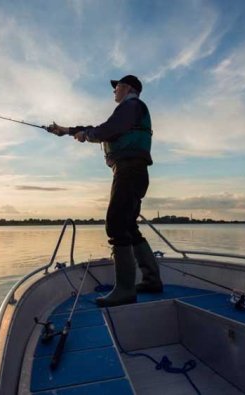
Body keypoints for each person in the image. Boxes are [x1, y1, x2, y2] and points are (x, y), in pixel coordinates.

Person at [48, 75, 163, 307]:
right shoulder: (131, 109)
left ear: (128, 87)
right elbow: (104, 129)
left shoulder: (131, 106)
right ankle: (151, 280)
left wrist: (87, 135)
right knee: (129, 227)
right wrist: (67, 130)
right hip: (134, 171)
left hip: (129, 171)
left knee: (116, 225)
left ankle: (125, 290)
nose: (114, 91)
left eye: (116, 87)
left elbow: (107, 130)